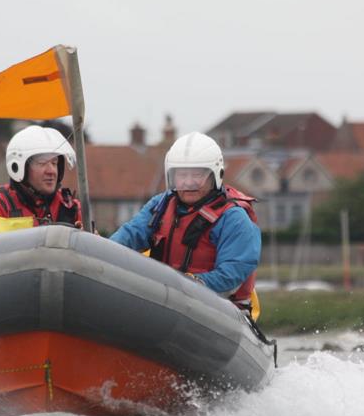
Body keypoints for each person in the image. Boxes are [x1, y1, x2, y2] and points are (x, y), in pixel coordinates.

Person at [110, 131, 262, 319]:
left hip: (219, 310)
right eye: (182, 175)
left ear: (215, 175)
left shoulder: (234, 219)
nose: (188, 182)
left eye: (197, 175)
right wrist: (102, 250)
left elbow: (231, 275)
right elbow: (130, 235)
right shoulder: (160, 205)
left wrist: (188, 285)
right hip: (167, 302)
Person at [0, 125, 82, 238]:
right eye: (42, 163)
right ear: (20, 167)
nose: (51, 171)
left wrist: (87, 238)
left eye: (54, 163)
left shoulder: (70, 207)